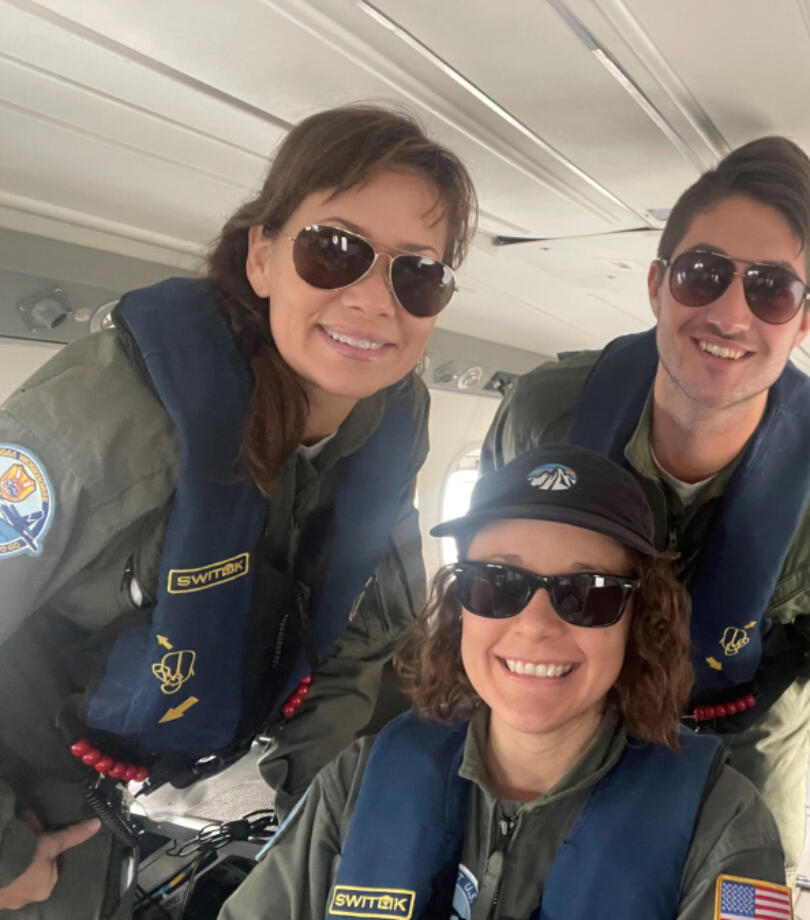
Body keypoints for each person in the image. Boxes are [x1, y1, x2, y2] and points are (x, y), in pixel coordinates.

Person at [0, 104, 476, 918]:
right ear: (261, 255)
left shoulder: (393, 419)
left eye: (417, 272)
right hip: (35, 805)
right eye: (336, 251)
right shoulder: (108, 419)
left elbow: (368, 621)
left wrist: (305, 792)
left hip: (190, 787)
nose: (373, 299)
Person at [482, 136, 810, 877]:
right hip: (569, 697)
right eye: (703, 275)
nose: (731, 313)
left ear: (804, 320)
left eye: (771, 289)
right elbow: (487, 582)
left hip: (739, 727)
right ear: (657, 286)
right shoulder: (546, 416)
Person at [219, 444, 791, 920]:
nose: (536, 626)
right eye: (496, 583)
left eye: (586, 593)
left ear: (638, 621)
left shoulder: (722, 824)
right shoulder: (358, 781)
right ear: (460, 604)